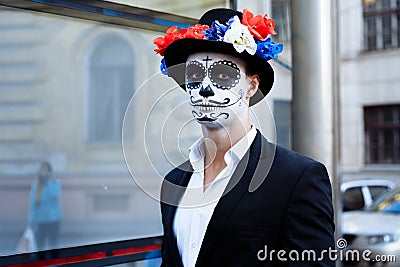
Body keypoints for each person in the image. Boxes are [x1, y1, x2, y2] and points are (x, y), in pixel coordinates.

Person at [153, 8, 335, 267]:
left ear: (251, 86)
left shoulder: (297, 178)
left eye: (223, 76)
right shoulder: (174, 182)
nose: (205, 89)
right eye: (194, 76)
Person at [28, 161, 63, 250]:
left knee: (53, 245)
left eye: (46, 170)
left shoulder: (55, 183)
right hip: (41, 220)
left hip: (54, 219)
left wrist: (49, 182)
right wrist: (31, 222)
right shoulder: (36, 186)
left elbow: (55, 195)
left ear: (50, 171)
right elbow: (33, 205)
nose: (44, 172)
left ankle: (54, 262)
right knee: (40, 246)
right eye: (42, 170)